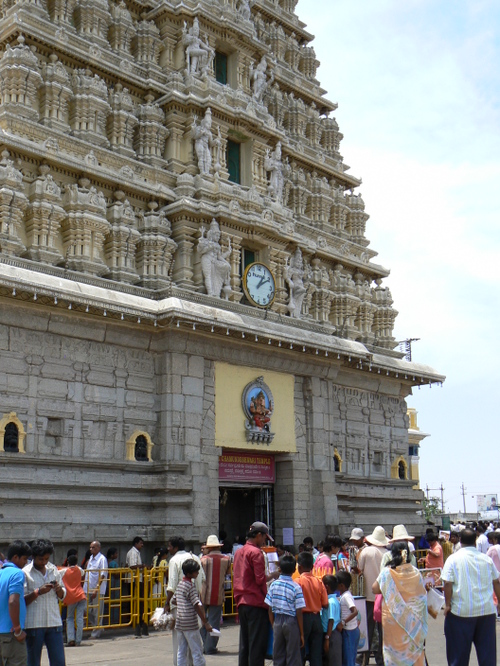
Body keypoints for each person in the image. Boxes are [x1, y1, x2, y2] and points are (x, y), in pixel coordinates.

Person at [442, 528, 500, 666]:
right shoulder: (486, 559)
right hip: (486, 611)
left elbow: (447, 583)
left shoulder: (453, 559)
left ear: (460, 541)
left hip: (461, 612)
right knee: (487, 656)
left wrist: (448, 604)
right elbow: (496, 581)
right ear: (475, 541)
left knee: (458, 656)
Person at [373, 541, 428, 665]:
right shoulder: (415, 572)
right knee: (411, 648)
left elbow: (375, 589)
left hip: (393, 617)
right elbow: (421, 596)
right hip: (412, 619)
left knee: (393, 651)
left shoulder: (387, 572)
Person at [233, 521, 276, 666]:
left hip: (242, 602)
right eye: (264, 538)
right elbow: (260, 580)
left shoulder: (239, 552)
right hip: (256, 603)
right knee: (257, 646)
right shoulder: (256, 553)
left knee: (245, 644)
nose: (264, 541)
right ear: (259, 535)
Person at [23, 539, 66, 666]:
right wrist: (38, 592)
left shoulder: (53, 569)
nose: (44, 562)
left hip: (54, 622)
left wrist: (59, 590)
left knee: (59, 661)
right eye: (41, 559)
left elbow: (63, 594)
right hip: (34, 624)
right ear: (33, 556)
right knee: (33, 662)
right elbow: (22, 600)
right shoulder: (25, 573)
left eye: (47, 559)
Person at [164, 536, 205, 666]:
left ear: (176, 547)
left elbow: (171, 585)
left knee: (180, 643)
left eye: (170, 546)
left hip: (181, 610)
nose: (168, 549)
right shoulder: (196, 558)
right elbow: (203, 580)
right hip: (194, 607)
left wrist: (167, 603)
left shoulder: (174, 561)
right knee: (195, 644)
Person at [354, 526, 388, 666]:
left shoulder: (366, 552)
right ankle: (381, 660)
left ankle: (363, 660)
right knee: (382, 632)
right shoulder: (387, 553)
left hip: (368, 596)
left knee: (367, 630)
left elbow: (359, 570)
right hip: (383, 597)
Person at [265, 554, 305, 666]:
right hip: (291, 622)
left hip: (278, 620)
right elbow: (299, 612)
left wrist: (273, 624)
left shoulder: (273, 585)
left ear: (279, 569)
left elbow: (270, 609)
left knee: (278, 654)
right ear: (294, 570)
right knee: (293, 655)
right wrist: (301, 633)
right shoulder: (296, 587)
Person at [173, 559, 212, 666]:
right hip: (190, 622)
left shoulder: (180, 584)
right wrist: (205, 622)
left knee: (181, 651)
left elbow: (174, 600)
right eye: (196, 572)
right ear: (190, 573)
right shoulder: (190, 586)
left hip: (180, 622)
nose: (198, 573)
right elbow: (196, 605)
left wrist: (183, 604)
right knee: (197, 650)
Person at [0, 540, 32, 666]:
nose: (25, 563)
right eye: (24, 559)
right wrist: (18, 629)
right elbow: (13, 601)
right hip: (11, 634)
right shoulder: (17, 573)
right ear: (15, 557)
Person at [296, 551, 328, 666]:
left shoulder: (297, 582)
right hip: (316, 618)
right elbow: (325, 603)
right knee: (316, 653)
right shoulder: (319, 581)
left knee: (300, 650)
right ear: (312, 566)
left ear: (299, 567)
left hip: (302, 619)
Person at [199, 535, 230, 655]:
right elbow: (227, 573)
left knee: (202, 620)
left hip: (203, 593)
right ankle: (210, 647)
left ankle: (205, 644)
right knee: (214, 622)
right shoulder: (226, 559)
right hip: (218, 594)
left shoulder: (203, 560)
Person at [83, 541, 107, 639]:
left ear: (98, 548)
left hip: (97, 589)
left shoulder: (102, 559)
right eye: (90, 547)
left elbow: (103, 574)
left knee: (98, 610)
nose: (91, 549)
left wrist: (97, 588)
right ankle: (98, 626)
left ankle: (96, 632)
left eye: (93, 547)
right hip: (87, 588)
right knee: (85, 608)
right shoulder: (90, 559)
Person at [126, 537, 148, 638]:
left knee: (139, 602)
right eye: (140, 543)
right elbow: (132, 566)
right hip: (134, 580)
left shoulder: (136, 552)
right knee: (137, 601)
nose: (142, 545)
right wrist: (142, 566)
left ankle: (138, 621)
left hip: (138, 579)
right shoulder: (133, 553)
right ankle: (137, 622)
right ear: (136, 543)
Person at [336, 571, 360, 666]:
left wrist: (343, 622)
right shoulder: (344, 596)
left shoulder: (346, 597)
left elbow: (355, 611)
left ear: (341, 585)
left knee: (349, 659)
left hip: (350, 631)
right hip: (349, 631)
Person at [62, 555, 85, 647]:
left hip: (71, 597)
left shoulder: (64, 571)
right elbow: (82, 574)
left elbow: (57, 572)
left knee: (70, 618)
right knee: (79, 618)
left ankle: (71, 639)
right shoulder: (79, 569)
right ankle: (78, 640)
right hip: (81, 595)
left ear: (68, 562)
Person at [321, 575, 342, 666]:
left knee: (334, 660)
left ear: (326, 587)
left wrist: (327, 638)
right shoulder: (331, 600)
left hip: (332, 635)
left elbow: (331, 620)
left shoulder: (331, 602)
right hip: (330, 634)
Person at [106, 548, 120, 626]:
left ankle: (111, 620)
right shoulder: (113, 563)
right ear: (112, 555)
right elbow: (116, 574)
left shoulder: (107, 562)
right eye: (116, 553)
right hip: (114, 584)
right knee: (115, 602)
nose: (117, 555)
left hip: (109, 584)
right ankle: (114, 620)